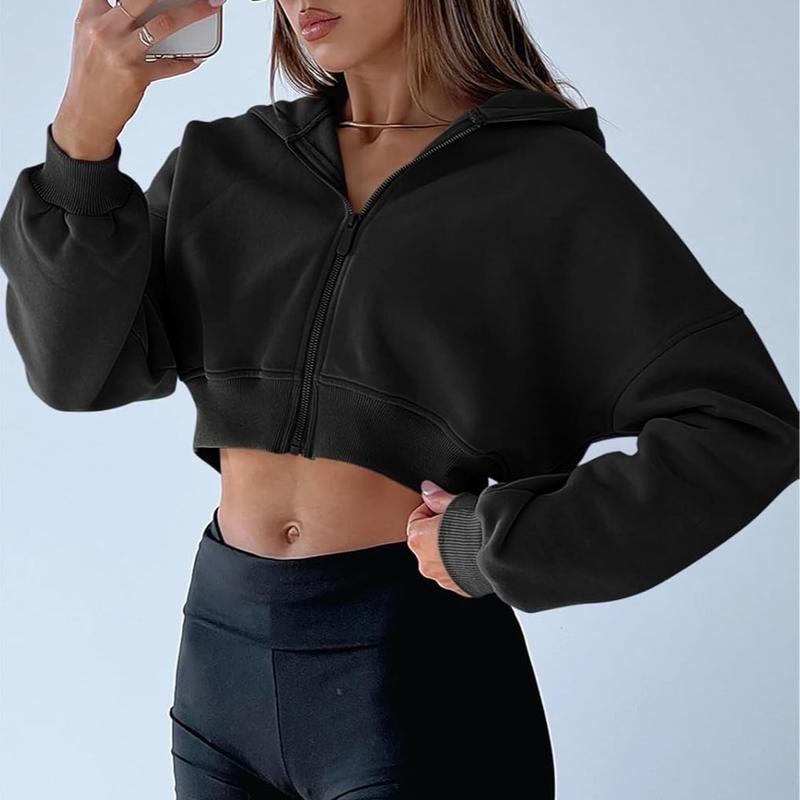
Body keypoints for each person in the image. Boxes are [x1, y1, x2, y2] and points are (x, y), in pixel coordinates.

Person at [1, 0, 797, 798]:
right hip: (222, 662)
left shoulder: (546, 181)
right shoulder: (227, 160)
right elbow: (76, 371)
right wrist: (81, 143)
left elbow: (744, 424)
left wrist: (503, 541)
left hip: (412, 672)